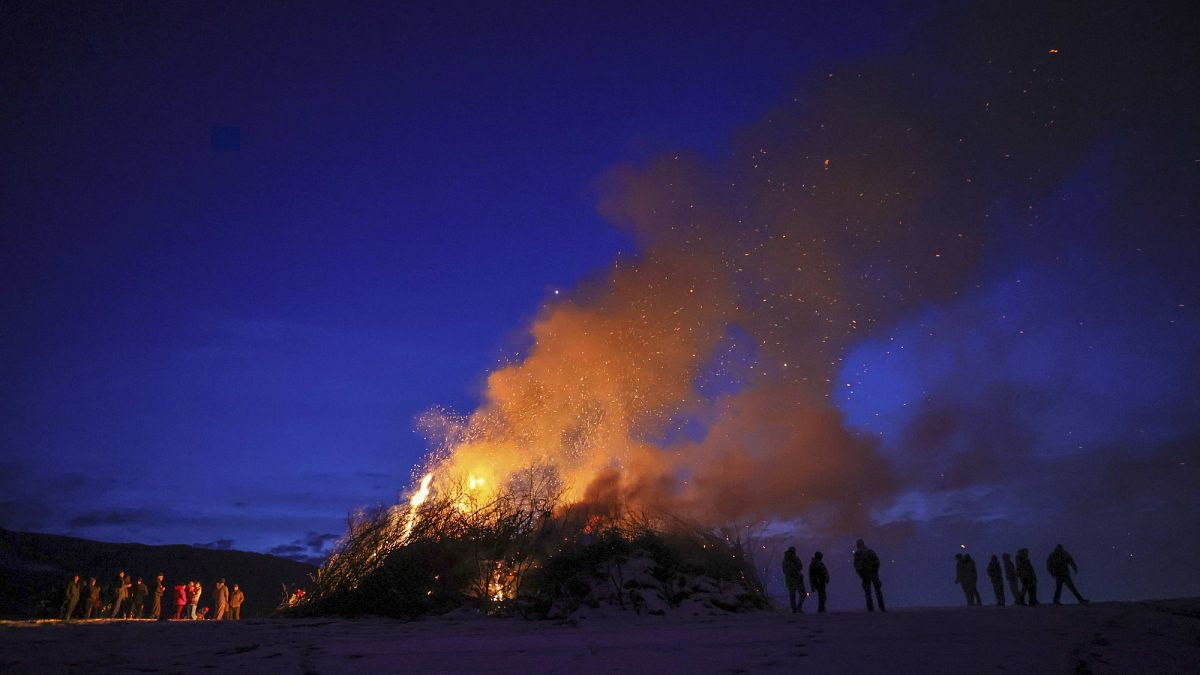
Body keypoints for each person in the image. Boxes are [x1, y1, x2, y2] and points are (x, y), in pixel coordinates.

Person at [853, 538, 885, 612]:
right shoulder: (871, 552)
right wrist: (875, 572)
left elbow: (857, 566)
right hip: (873, 574)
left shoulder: (858, 553)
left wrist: (861, 575)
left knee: (868, 593)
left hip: (865, 575)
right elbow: (877, 562)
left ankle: (870, 609)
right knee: (878, 591)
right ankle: (882, 607)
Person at [781, 547, 806, 613]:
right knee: (802, 594)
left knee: (793, 595)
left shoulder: (785, 560)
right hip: (796, 579)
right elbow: (800, 567)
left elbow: (785, 570)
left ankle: (794, 609)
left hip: (791, 580)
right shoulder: (793, 559)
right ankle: (797, 608)